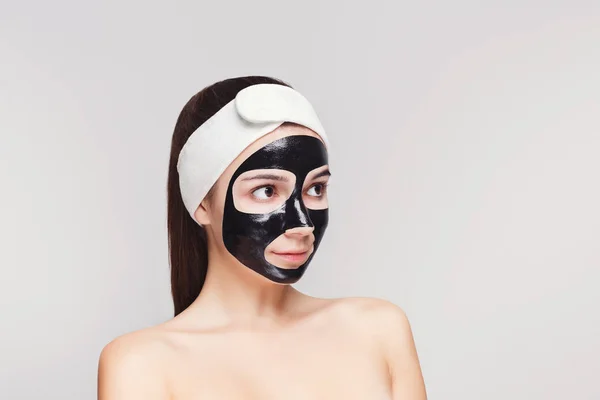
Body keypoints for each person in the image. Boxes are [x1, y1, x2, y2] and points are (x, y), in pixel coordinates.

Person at [97, 75, 427, 400]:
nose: (302, 224)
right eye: (266, 190)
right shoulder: (140, 364)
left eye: (316, 188)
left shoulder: (378, 330)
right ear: (201, 205)